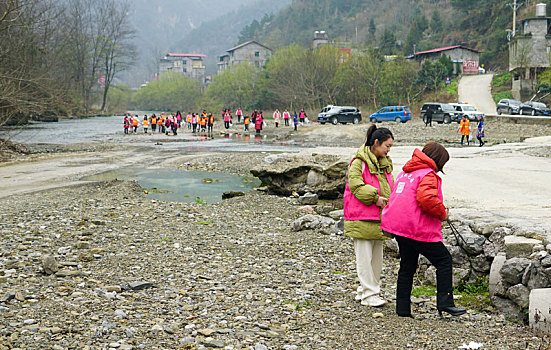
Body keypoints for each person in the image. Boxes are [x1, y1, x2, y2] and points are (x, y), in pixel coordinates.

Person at [381, 142, 467, 319]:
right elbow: (426, 199)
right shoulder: (428, 174)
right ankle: (445, 303)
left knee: (407, 266)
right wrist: (443, 213)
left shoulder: (407, 171)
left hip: (399, 226)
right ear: (438, 160)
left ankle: (402, 310)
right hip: (416, 228)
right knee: (444, 260)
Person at [343, 125, 394, 307]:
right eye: (387, 146)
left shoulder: (384, 163)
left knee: (376, 259)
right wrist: (375, 198)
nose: (388, 150)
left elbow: (390, 186)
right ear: (376, 143)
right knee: (364, 259)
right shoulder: (358, 162)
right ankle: (369, 295)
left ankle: (365, 290)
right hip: (361, 217)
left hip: (379, 218)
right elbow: (356, 185)